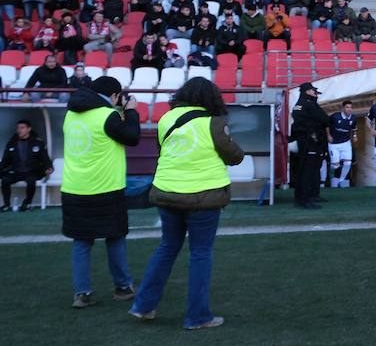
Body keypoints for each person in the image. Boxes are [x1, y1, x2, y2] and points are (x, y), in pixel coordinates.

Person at [129, 78, 244, 329]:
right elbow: (235, 157)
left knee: (168, 247)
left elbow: (166, 148)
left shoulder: (167, 119)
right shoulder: (214, 124)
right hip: (203, 196)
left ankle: (143, 306)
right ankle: (198, 316)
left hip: (167, 192)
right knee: (200, 254)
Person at [62, 76, 141, 308]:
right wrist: (132, 111)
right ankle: (123, 286)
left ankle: (82, 293)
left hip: (74, 187)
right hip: (106, 187)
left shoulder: (70, 114)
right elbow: (133, 136)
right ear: (115, 96)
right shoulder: (108, 116)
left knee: (82, 241)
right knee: (115, 236)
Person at [290, 82, 330, 209]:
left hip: (305, 140)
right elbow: (324, 119)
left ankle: (310, 195)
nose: (315, 93)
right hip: (309, 141)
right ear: (307, 91)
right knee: (307, 171)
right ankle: (305, 199)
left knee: (309, 169)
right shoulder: (309, 105)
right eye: (313, 91)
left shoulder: (299, 104)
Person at [1, 119, 53, 212]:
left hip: (31, 171)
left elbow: (45, 158)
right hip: (16, 171)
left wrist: (49, 167)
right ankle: (6, 205)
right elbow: (5, 161)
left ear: (29, 129)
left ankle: (27, 203)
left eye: (22, 128)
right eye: (18, 128)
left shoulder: (37, 143)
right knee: (5, 180)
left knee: (31, 180)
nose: (19, 130)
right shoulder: (12, 143)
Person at [327, 100, 358, 188]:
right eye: (347, 107)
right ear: (343, 108)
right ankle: (331, 175)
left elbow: (354, 128)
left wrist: (355, 136)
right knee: (335, 165)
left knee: (348, 163)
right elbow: (327, 125)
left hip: (346, 143)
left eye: (350, 107)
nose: (349, 109)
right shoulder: (335, 116)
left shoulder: (353, 118)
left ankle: (341, 180)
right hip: (334, 144)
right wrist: (329, 135)